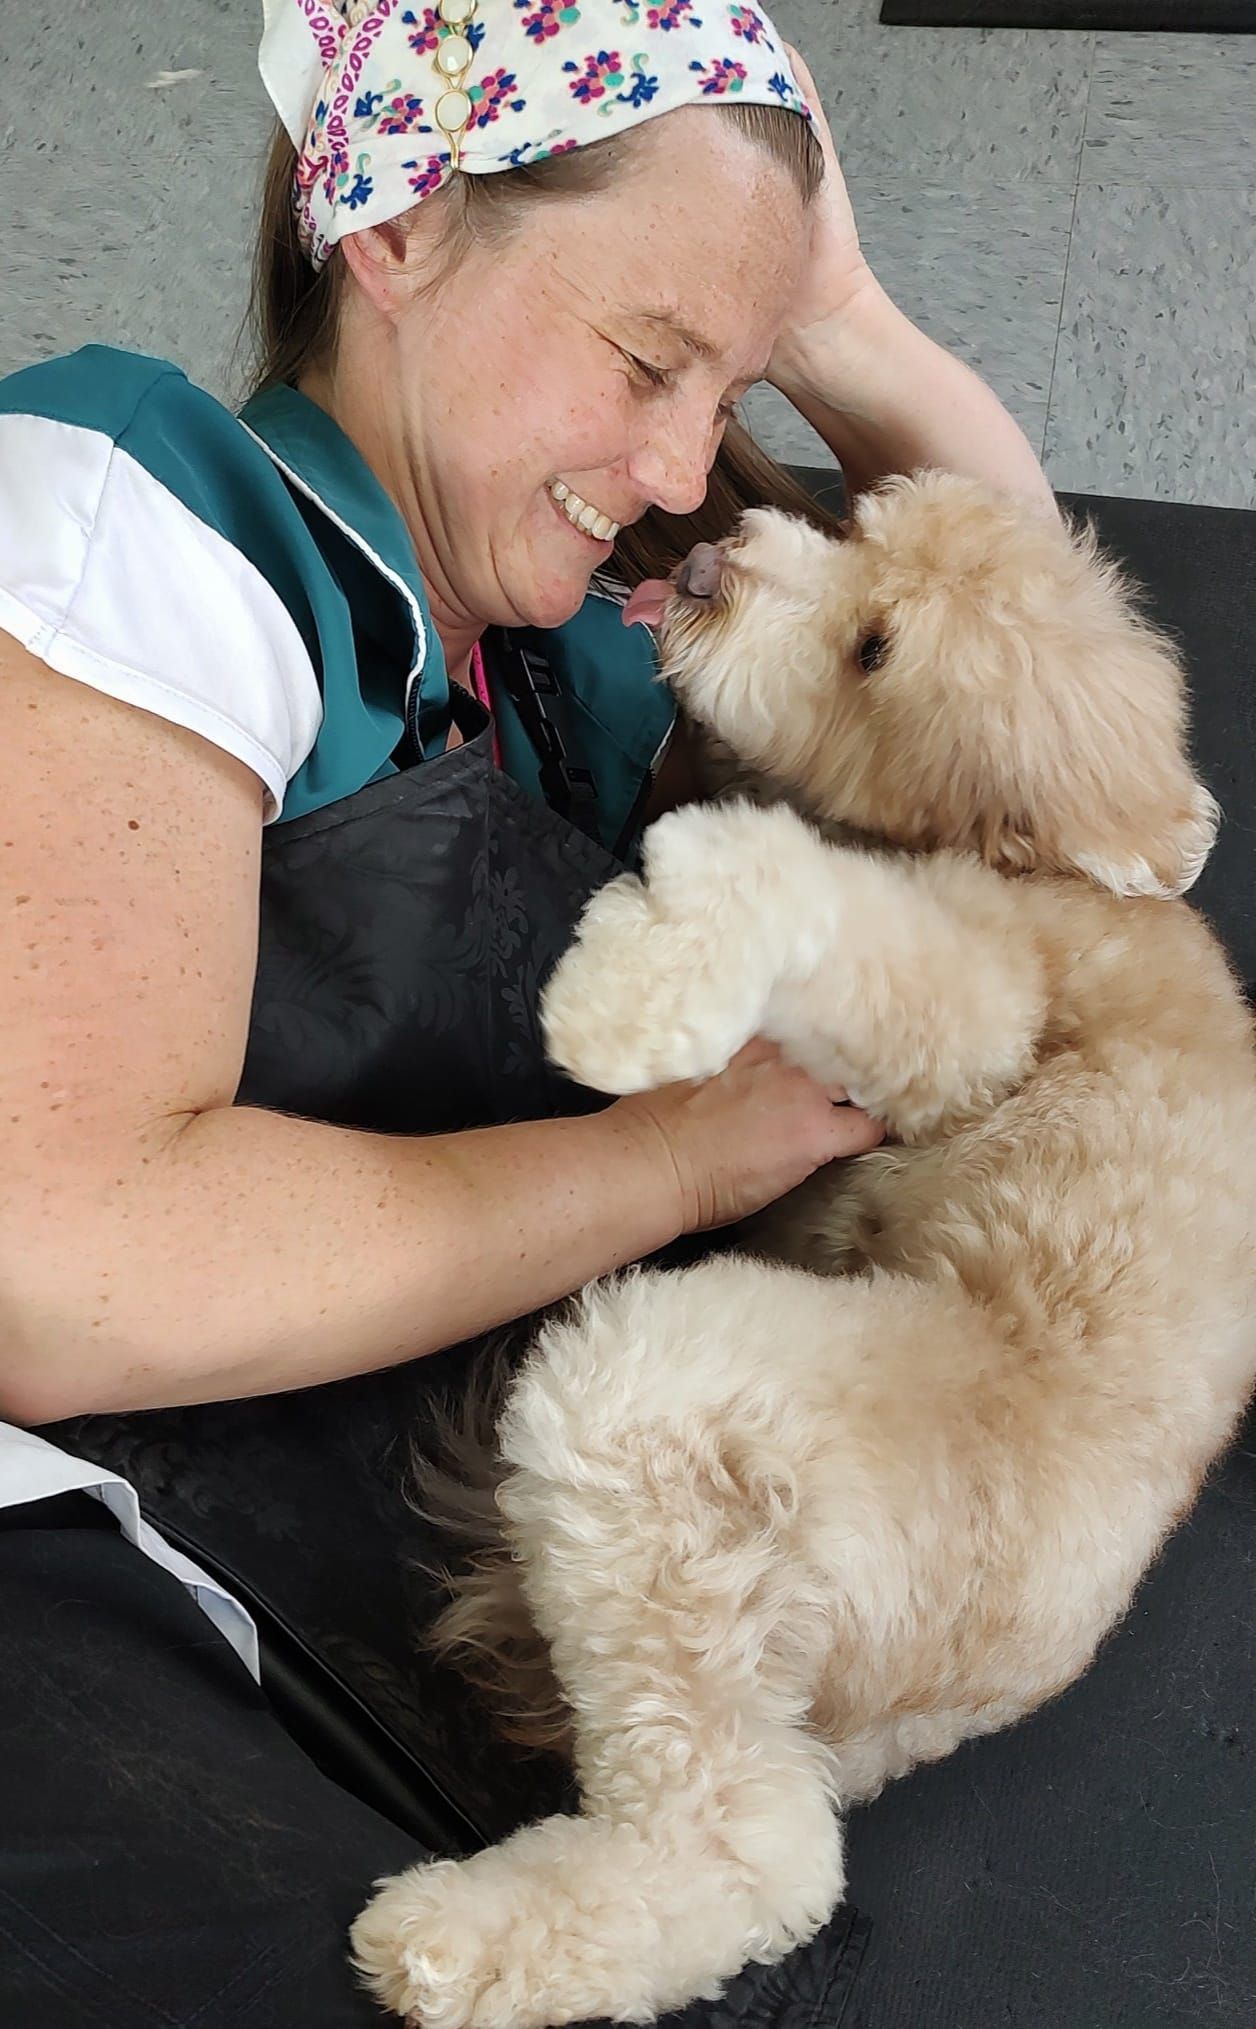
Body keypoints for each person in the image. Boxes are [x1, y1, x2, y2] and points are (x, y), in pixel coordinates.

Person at [0, 3, 1058, 2022]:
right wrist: (681, 1156)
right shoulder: (140, 513)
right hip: (67, 1543)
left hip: (374, 1505)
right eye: (648, 360)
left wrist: (832, 312)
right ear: (395, 223)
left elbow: (1021, 699)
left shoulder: (571, 650)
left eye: (729, 387)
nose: (680, 463)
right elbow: (61, 1269)